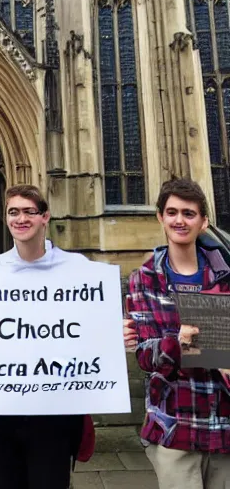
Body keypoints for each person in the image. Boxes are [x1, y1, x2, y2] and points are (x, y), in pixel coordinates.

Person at [0, 184, 94, 489]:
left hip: (52, 415)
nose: (21, 218)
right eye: (14, 212)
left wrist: (112, 336)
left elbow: (92, 331)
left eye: (29, 211)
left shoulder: (78, 270)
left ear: (45, 217)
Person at [122, 179, 230, 488]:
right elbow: (144, 355)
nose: (179, 220)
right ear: (160, 217)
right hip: (176, 425)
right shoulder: (144, 279)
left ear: (203, 221)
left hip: (224, 423)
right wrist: (178, 341)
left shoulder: (225, 275)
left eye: (188, 213)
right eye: (172, 212)